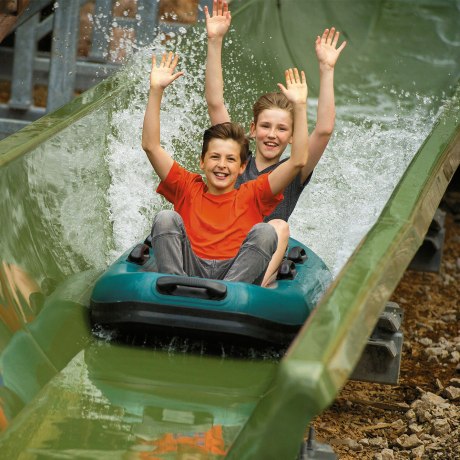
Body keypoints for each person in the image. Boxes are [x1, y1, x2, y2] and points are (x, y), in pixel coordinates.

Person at [204, 0, 346, 285]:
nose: (272, 134)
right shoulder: (232, 160)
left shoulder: (294, 171)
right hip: (221, 248)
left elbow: (324, 130)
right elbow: (215, 101)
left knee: (278, 226)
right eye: (266, 126)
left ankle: (259, 288)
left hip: (259, 259)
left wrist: (326, 70)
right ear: (253, 130)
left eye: (282, 129)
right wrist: (215, 40)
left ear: (292, 137)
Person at [141, 51, 309, 285]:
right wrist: (156, 91)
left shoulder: (254, 193)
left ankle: (231, 294)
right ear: (202, 162)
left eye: (230, 160)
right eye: (214, 157)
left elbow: (298, 161)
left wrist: (299, 106)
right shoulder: (187, 186)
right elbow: (150, 146)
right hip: (189, 268)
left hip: (233, 276)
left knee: (266, 231)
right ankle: (174, 286)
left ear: (242, 167)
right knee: (166, 217)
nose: (221, 165)